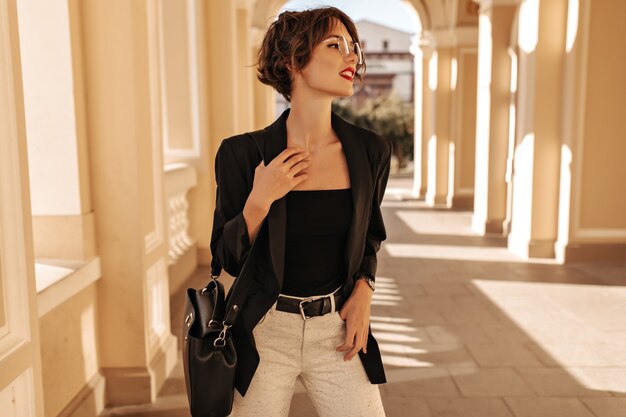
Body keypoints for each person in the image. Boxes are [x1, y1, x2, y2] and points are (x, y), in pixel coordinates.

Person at [210, 6, 392, 417]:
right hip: (263, 332)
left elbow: (370, 235)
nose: (352, 57)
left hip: (338, 332)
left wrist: (365, 288)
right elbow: (225, 256)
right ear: (293, 59)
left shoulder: (370, 151)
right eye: (335, 44)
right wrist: (260, 201)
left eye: (353, 48)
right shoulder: (242, 153)